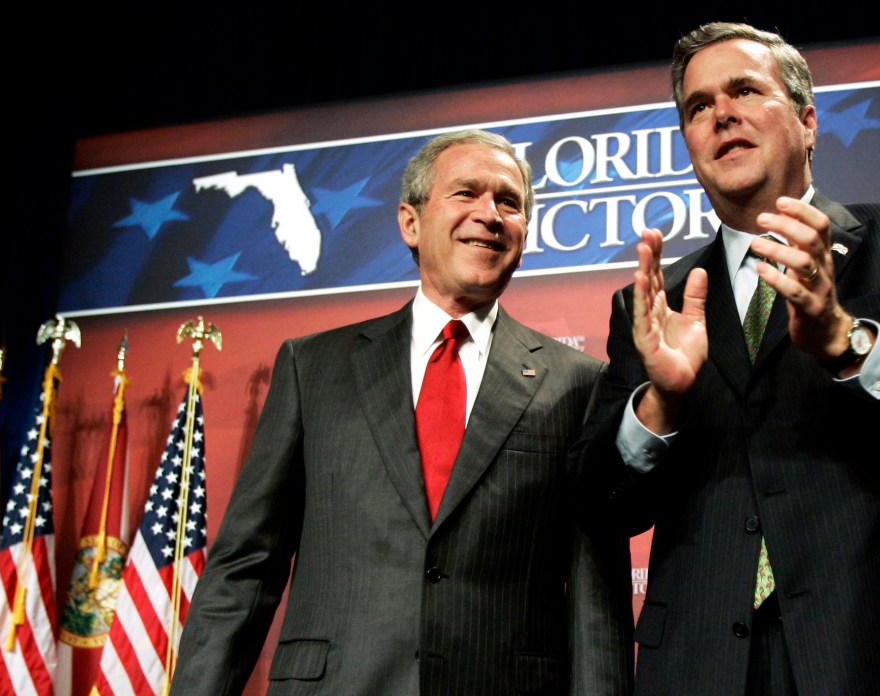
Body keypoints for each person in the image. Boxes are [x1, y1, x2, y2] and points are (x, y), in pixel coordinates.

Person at [170, 129, 634, 696]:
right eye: (466, 193)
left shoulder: (578, 383)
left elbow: (595, 595)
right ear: (410, 223)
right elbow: (248, 565)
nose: (489, 214)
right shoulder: (312, 367)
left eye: (509, 202)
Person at [572, 21, 880, 696]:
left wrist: (845, 342)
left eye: (744, 89)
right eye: (698, 106)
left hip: (860, 645)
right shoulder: (653, 303)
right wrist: (660, 406)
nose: (722, 114)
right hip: (696, 662)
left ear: (807, 121)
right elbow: (604, 507)